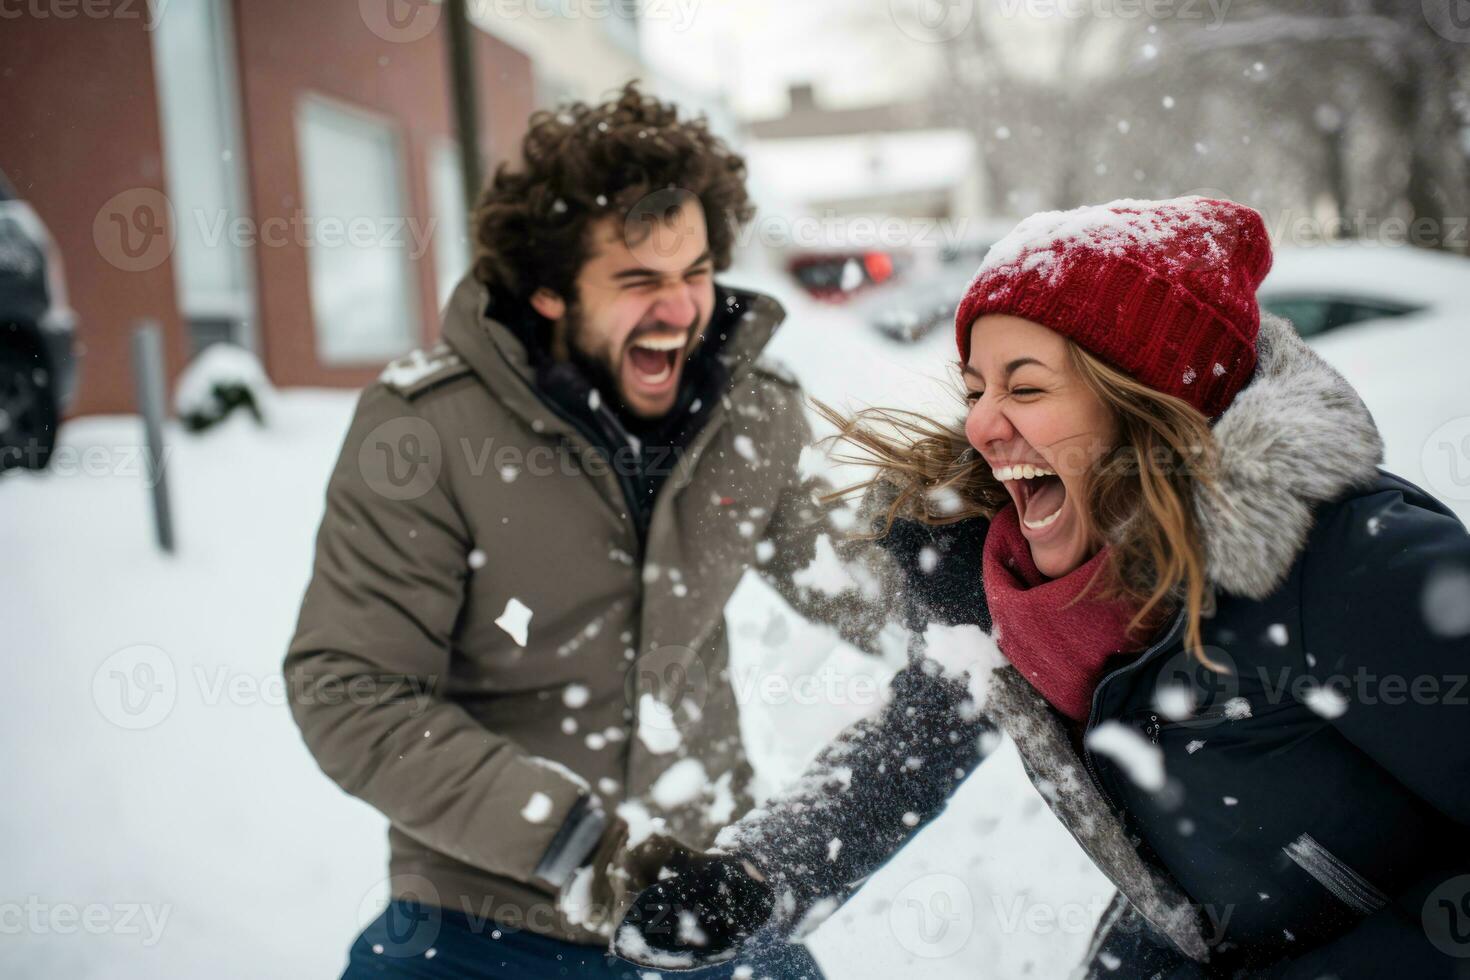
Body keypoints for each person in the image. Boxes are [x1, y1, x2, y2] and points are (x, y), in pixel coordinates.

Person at [610, 197, 1470, 978]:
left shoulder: (1350, 561)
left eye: (1025, 386)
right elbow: (912, 747)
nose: (981, 423)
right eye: (976, 387)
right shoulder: (1009, 582)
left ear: (1147, 404)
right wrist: (759, 874)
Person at [283, 83, 883, 979]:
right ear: (550, 292)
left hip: (703, 899)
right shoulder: (426, 432)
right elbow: (351, 690)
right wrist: (585, 852)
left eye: (694, 274)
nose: (680, 310)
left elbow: (858, 584)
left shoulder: (752, 411)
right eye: (638, 282)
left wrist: (999, 578)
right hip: (484, 914)